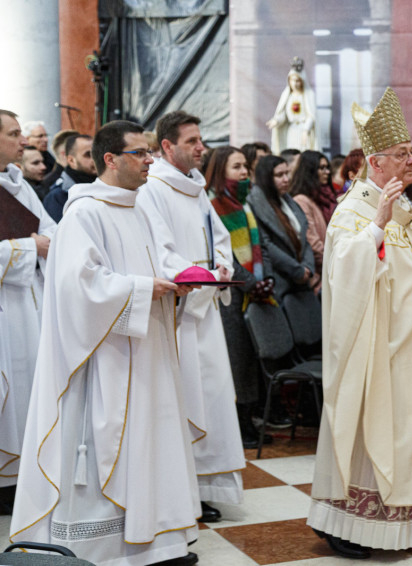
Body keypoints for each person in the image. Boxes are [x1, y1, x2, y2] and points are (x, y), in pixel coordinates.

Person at [10, 120, 201, 566]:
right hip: (104, 360)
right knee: (107, 445)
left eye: (150, 152)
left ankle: (159, 542)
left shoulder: (139, 209)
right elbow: (77, 287)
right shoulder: (84, 213)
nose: (150, 160)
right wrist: (143, 289)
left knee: (151, 440)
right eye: (140, 153)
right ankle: (104, 550)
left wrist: (174, 281)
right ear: (110, 159)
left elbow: (154, 264)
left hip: (147, 351)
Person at [307, 87, 412, 560]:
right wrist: (376, 225)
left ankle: (403, 522)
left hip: (410, 345)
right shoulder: (354, 210)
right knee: (372, 432)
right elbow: (344, 273)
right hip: (375, 349)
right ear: (375, 162)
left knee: (410, 435)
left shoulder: (404, 208)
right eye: (401, 154)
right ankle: (346, 525)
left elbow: (409, 271)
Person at [137, 110, 245, 523]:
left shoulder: (195, 186)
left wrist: (221, 267)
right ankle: (181, 491)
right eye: (192, 142)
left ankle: (204, 487)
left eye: (201, 140)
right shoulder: (153, 188)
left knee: (212, 398)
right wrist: (200, 278)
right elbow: (160, 250)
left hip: (205, 309)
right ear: (167, 146)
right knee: (184, 401)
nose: (202, 148)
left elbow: (219, 238)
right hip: (179, 312)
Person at [0, 109, 56, 498]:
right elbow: (37, 241)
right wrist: (29, 247)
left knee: (29, 387)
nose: (24, 141)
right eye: (14, 133)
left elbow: (50, 231)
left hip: (30, 302)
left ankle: (22, 476)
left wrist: (45, 244)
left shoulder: (21, 185)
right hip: (5, 306)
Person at [207, 146, 275, 449]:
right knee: (236, 362)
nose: (244, 171)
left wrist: (267, 277)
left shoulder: (244, 203)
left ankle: (251, 418)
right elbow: (222, 254)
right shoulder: (212, 204)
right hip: (231, 295)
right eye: (236, 167)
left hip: (253, 291)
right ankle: (239, 424)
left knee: (250, 360)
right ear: (220, 170)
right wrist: (250, 283)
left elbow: (262, 245)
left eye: (245, 166)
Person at [247, 154, 316, 299]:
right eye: (279, 175)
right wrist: (296, 270)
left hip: (301, 276)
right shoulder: (255, 203)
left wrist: (308, 267)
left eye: (287, 173)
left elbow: (303, 237)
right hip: (280, 279)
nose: (286, 179)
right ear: (266, 177)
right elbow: (266, 244)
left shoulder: (287, 200)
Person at [291, 149, 335, 287]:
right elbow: (312, 242)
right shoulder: (302, 200)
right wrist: (336, 261)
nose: (327, 172)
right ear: (310, 171)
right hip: (318, 274)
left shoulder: (326, 199)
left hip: (331, 267)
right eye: (321, 168)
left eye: (327, 167)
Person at [267, 58, 317, 154]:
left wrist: (306, 129)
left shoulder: (308, 95)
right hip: (292, 131)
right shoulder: (287, 95)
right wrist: (276, 120)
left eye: (298, 81)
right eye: (292, 80)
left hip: (303, 129)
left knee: (304, 152)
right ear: (289, 81)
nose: (295, 83)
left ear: (302, 81)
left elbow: (311, 115)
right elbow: (283, 114)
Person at [43, 134, 97, 222]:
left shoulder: (105, 186)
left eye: (96, 153)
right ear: (71, 160)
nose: (95, 159)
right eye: (88, 155)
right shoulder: (57, 196)